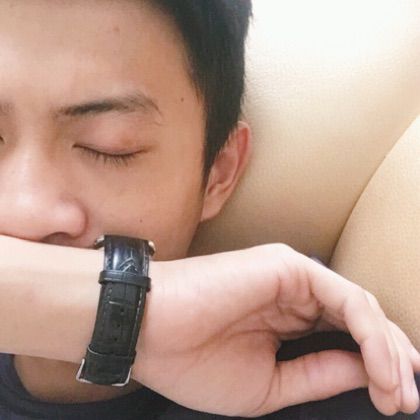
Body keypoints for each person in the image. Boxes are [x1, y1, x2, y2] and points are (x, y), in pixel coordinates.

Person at [0, 1, 418, 419]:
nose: (21, 212)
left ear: (219, 172)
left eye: (109, 147)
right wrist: (143, 317)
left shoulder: (322, 385)